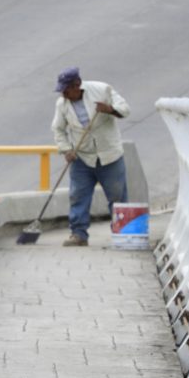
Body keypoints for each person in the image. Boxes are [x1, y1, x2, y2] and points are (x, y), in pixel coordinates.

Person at [51, 67, 130, 246]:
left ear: (77, 85)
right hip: (82, 157)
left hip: (109, 155)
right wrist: (66, 149)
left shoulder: (102, 90)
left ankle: (122, 235)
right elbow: (58, 129)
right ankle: (78, 234)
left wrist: (109, 109)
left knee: (117, 196)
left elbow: (125, 110)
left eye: (66, 89)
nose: (62, 93)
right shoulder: (62, 104)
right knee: (78, 195)